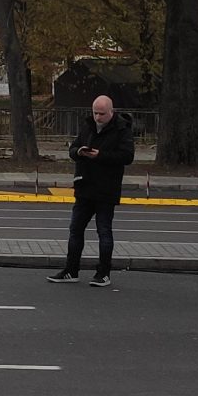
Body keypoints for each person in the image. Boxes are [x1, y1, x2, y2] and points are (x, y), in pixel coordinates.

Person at [48, 94, 134, 287]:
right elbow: (73, 147)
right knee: (75, 229)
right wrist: (79, 152)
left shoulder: (122, 129)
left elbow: (127, 156)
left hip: (106, 188)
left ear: (111, 112)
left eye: (102, 114)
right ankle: (71, 270)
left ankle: (103, 273)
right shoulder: (88, 125)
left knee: (104, 231)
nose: (97, 117)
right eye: (95, 113)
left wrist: (100, 156)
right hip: (85, 185)